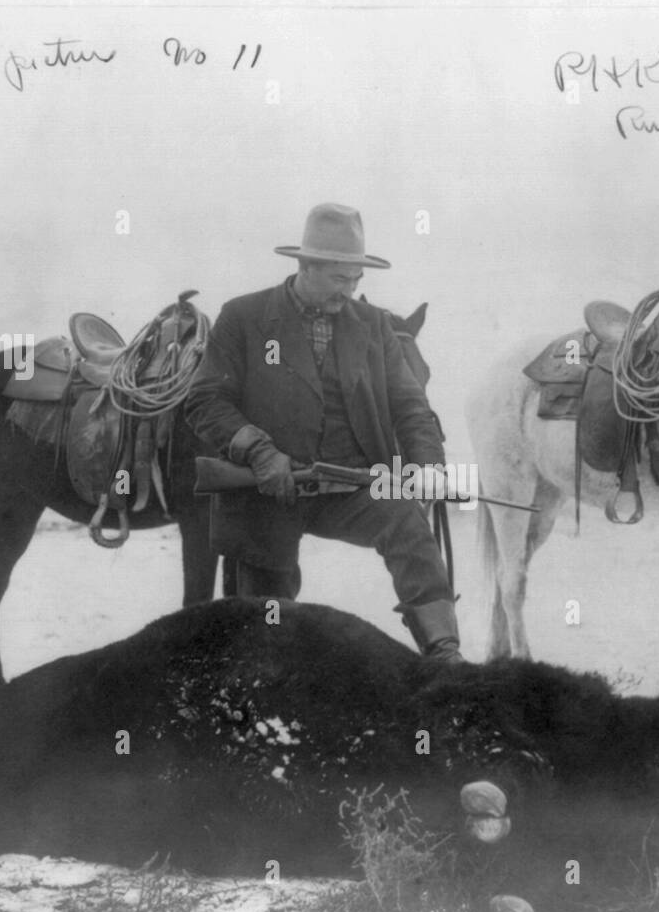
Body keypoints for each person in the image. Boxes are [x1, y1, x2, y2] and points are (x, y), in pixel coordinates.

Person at [183, 203, 462, 661]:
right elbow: (205, 400)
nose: (349, 291)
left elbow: (410, 406)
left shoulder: (374, 327)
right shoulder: (243, 318)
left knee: (407, 524)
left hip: (350, 488)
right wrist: (258, 451)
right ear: (305, 266)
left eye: (356, 280)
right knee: (267, 621)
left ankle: (444, 654)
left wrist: (427, 466)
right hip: (267, 492)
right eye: (339, 279)